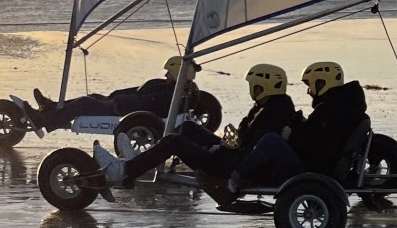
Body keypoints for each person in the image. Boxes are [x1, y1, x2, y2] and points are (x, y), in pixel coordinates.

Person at [91, 63, 296, 189]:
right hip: (232, 155)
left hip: (229, 165)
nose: (251, 90)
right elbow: (245, 139)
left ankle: (124, 170)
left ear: (263, 86)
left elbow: (254, 148)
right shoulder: (267, 105)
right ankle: (138, 162)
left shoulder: (274, 111)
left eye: (254, 86)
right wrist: (223, 143)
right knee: (187, 127)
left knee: (173, 141)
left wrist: (219, 148)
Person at [227, 60, 370, 193]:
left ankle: (235, 181)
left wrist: (291, 135)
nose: (309, 91)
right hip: (322, 165)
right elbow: (321, 136)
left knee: (270, 141)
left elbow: (316, 146)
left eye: (311, 86)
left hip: (314, 170)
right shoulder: (342, 107)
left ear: (322, 83)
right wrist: (300, 125)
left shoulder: (329, 110)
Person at [19, 56, 218, 132]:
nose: (166, 75)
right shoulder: (177, 88)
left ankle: (46, 120)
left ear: (178, 73)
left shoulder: (172, 93)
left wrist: (119, 101)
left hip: (124, 110)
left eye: (169, 72)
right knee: (93, 97)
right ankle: (52, 107)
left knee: (84, 103)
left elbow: (147, 103)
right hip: (122, 104)